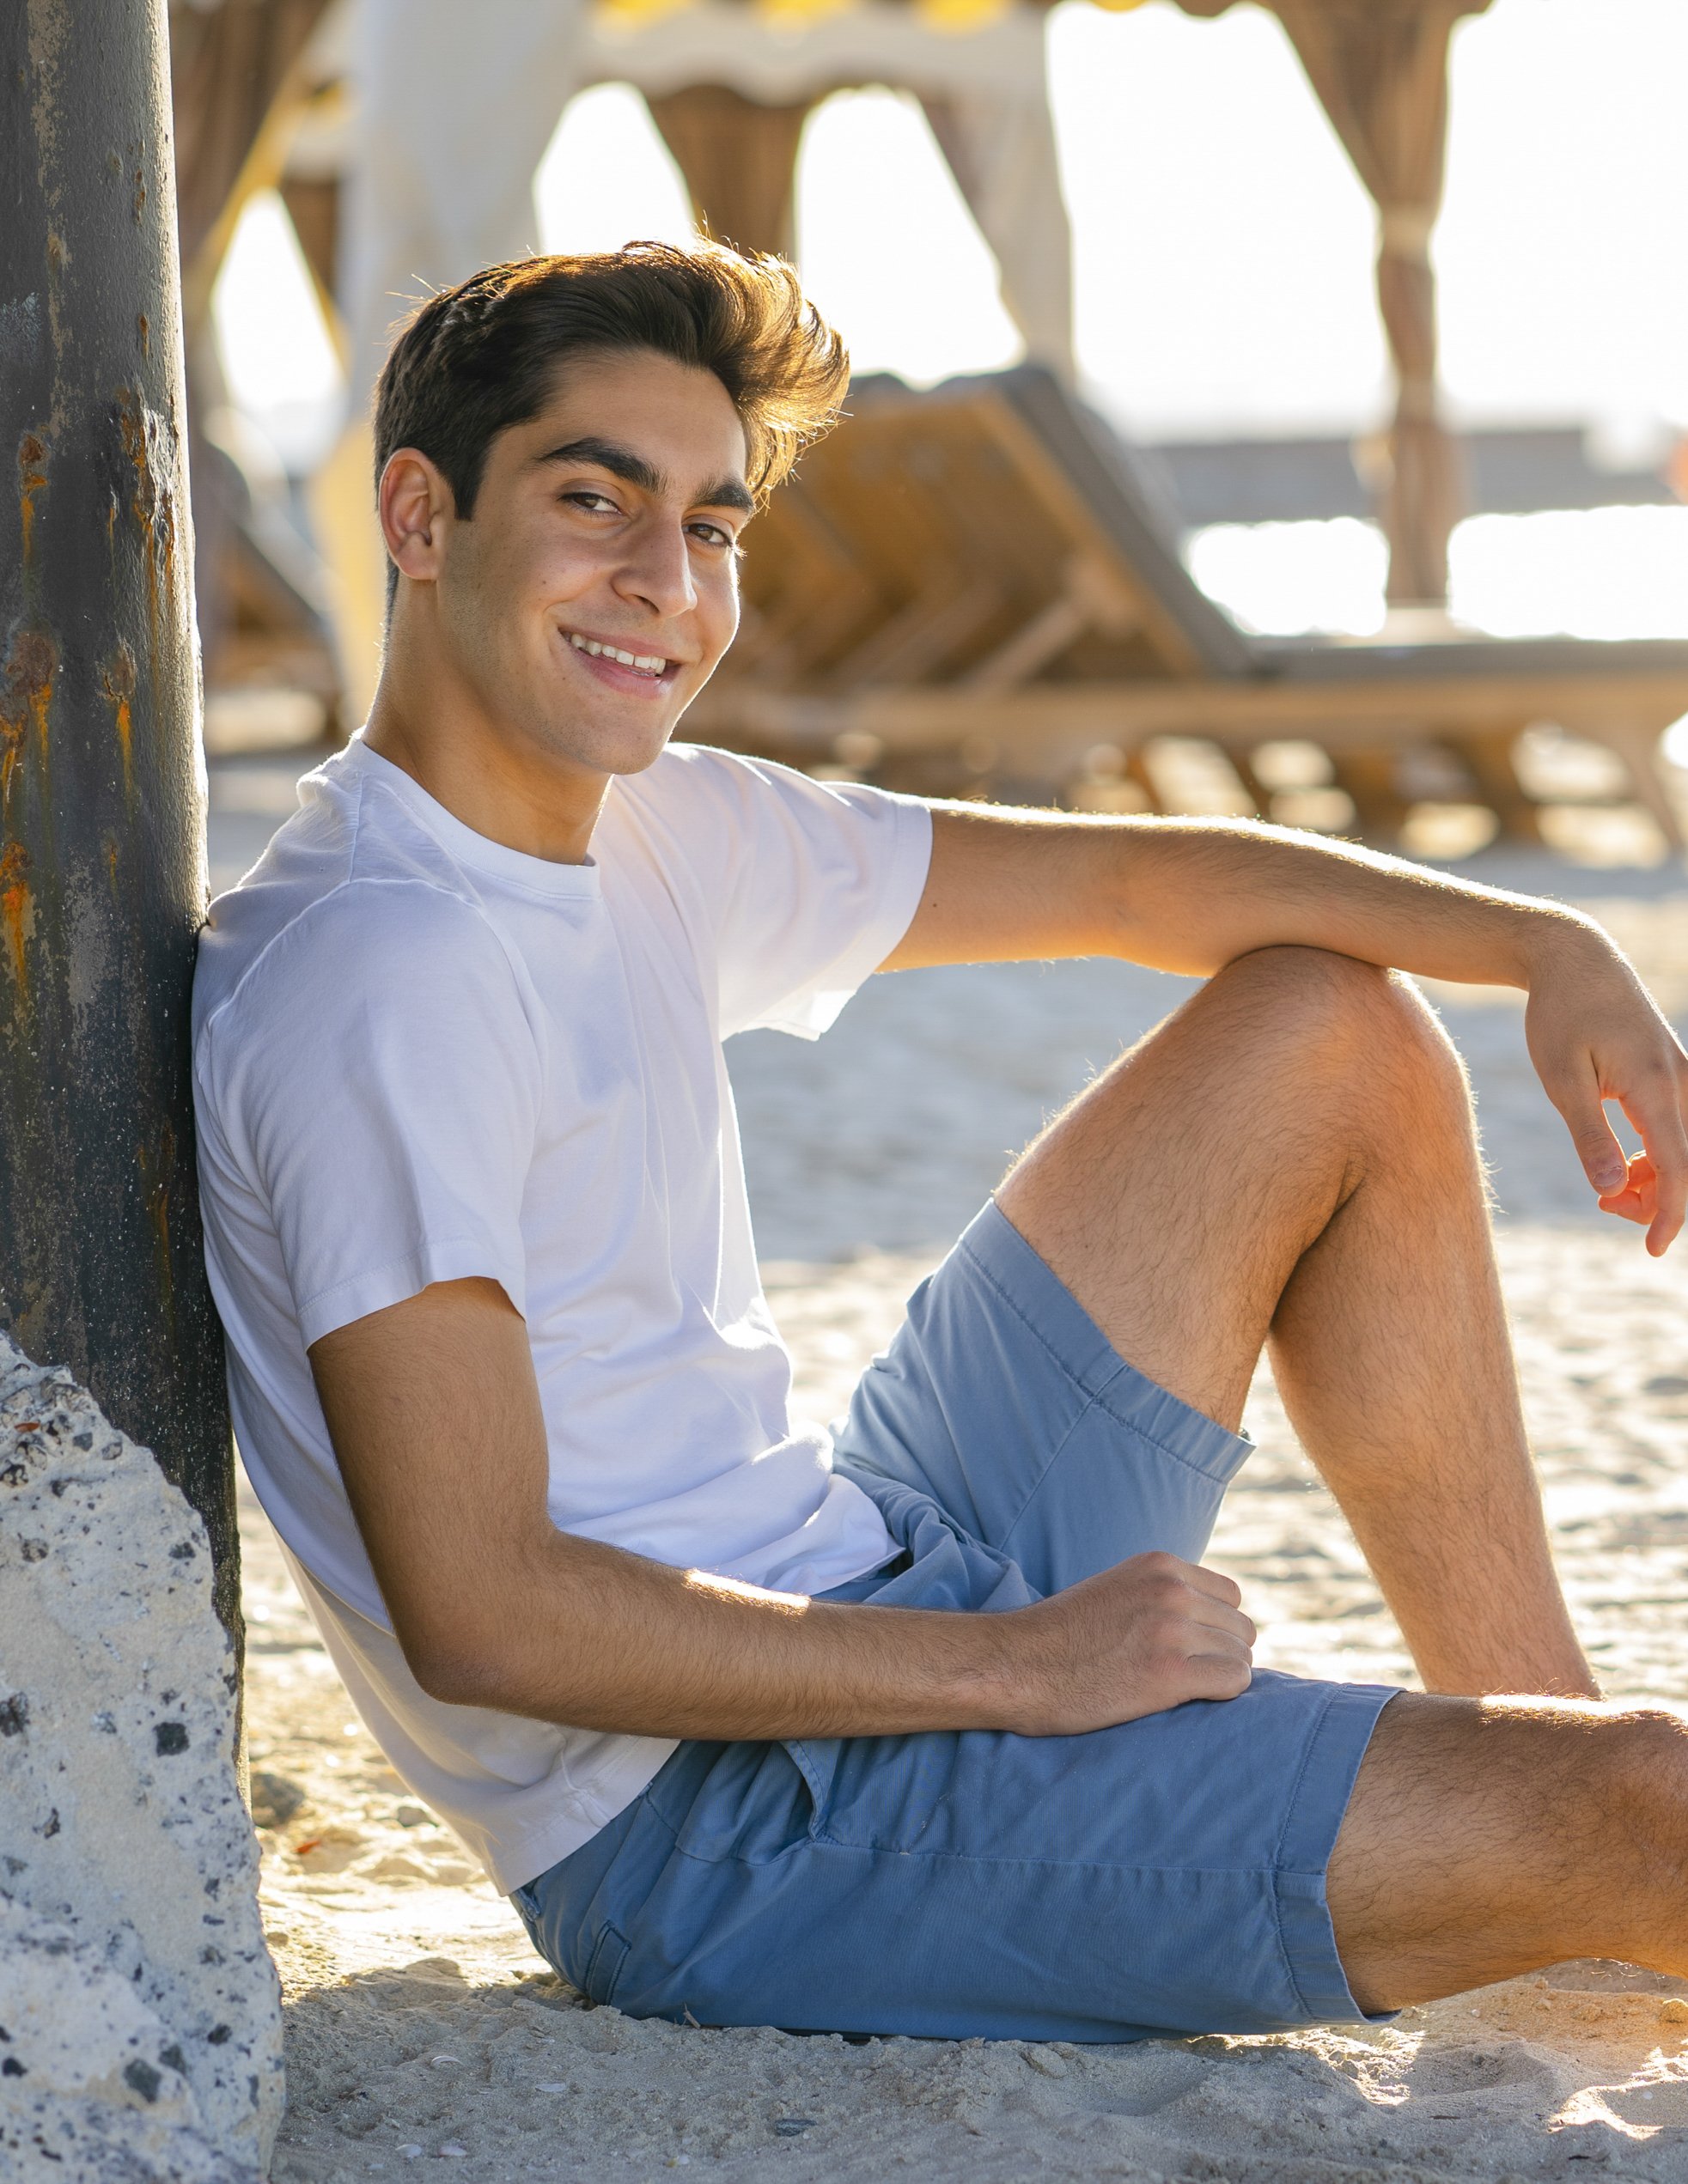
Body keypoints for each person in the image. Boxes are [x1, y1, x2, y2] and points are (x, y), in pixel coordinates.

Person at [194, 241, 1688, 2044]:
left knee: (1331, 1031)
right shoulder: (387, 972)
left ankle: (1549, 1812)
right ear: (419, 518)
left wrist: (1544, 944)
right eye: (594, 502)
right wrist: (1019, 1667)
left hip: (866, 1556)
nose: (663, 585)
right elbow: (486, 1616)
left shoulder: (651, 828)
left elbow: (1124, 876)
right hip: (719, 1828)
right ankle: (1587, 1844)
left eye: (713, 526)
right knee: (1647, 1807)